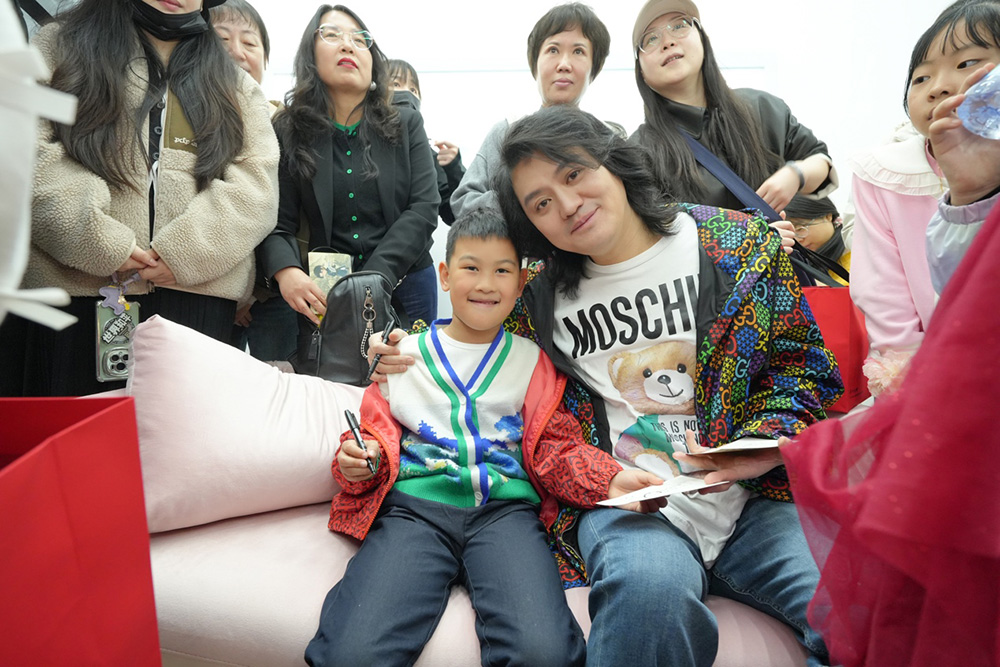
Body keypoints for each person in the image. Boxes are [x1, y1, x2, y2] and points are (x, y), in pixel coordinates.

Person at [373, 106, 842, 666]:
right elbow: (471, 338)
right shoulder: (538, 297)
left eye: (573, 174)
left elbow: (802, 367)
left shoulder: (737, 244)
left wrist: (762, 444)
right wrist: (398, 349)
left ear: (614, 161)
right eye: (541, 204)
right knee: (649, 595)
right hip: (632, 504)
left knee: (863, 604)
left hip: (758, 501)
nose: (567, 205)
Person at [304, 208, 663, 667]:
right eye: (471, 267)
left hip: (506, 515)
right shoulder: (401, 356)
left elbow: (554, 447)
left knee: (544, 653)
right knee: (352, 653)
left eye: (502, 271)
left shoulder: (533, 362)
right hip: (413, 513)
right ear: (444, 274)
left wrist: (609, 481)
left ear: (521, 282)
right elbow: (371, 437)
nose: (487, 284)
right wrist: (357, 460)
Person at [0, 0, 279, 397]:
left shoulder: (235, 83)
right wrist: (98, 238)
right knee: (75, 431)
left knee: (183, 431)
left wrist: (184, 251)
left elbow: (257, 184)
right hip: (71, 290)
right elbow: (22, 145)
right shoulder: (60, 44)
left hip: (197, 300)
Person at [258, 4, 440, 331]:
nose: (348, 45)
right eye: (332, 35)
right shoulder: (290, 129)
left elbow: (424, 207)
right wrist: (287, 271)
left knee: (409, 363)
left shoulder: (406, 122)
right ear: (310, 56)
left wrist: (373, 277)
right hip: (328, 289)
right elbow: (276, 222)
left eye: (360, 39)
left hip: (408, 280)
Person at [850, 0, 1000, 395]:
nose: (939, 87)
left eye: (967, 63)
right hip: (934, 377)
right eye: (921, 77)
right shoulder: (883, 172)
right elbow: (882, 294)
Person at [449, 2, 612, 218]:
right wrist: (529, 205)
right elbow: (463, 201)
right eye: (553, 50)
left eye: (578, 51)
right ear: (535, 63)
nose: (564, 64)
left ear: (594, 68)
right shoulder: (506, 132)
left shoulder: (607, 139)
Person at [208, 0, 299, 362]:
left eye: (249, 43)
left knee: (280, 382)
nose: (236, 52)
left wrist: (255, 291)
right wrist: (232, 289)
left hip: (274, 292)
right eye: (221, 39)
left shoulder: (285, 124)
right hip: (208, 287)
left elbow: (286, 216)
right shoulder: (181, 123)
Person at [387, 58, 467, 225]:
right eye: (395, 84)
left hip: (416, 240)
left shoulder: (425, 154)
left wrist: (453, 168)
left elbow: (455, 215)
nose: (407, 93)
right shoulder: (358, 141)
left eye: (413, 89)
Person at [784, 194, 851, 285]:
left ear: (828, 216)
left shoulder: (857, 251)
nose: (797, 240)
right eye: (791, 233)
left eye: (800, 229)